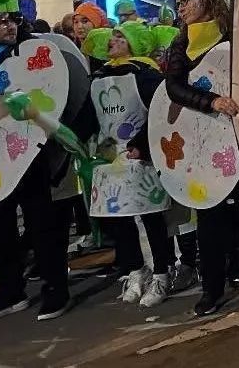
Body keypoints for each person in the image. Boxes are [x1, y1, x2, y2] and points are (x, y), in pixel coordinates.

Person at [0, 0, 78, 323]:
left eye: (13, 19)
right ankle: (10, 290)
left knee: (42, 224)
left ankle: (56, 287)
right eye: (0, 20)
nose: (9, 26)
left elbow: (54, 94)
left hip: (30, 154)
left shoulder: (32, 55)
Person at [163, 0, 239, 316]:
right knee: (210, 218)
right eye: (178, 4)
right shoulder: (181, 43)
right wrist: (211, 101)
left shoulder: (232, 29)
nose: (182, 7)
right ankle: (212, 289)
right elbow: (173, 88)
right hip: (204, 141)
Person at [94, 22, 178, 307]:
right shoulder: (100, 75)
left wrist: (140, 144)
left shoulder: (146, 74)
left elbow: (159, 112)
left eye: (120, 36)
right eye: (112, 35)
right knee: (119, 219)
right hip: (111, 159)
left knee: (152, 217)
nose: (112, 40)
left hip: (142, 156)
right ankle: (135, 270)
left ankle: (163, 273)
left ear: (135, 42)